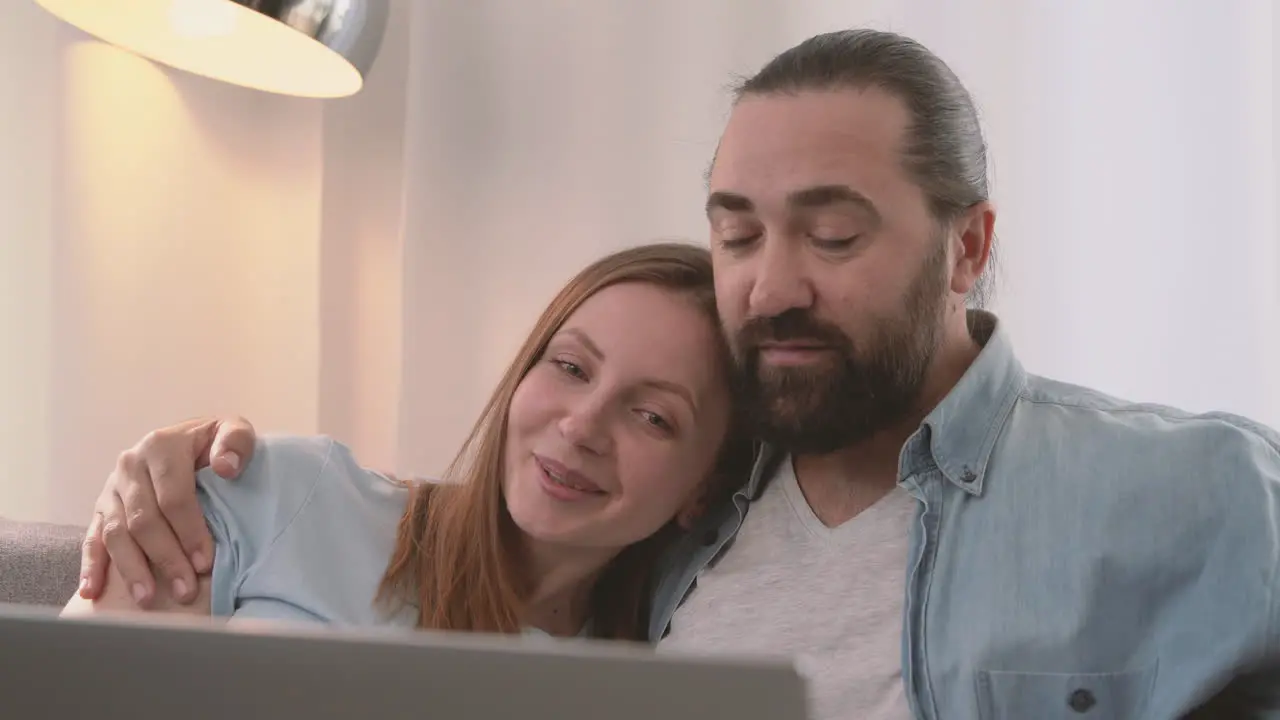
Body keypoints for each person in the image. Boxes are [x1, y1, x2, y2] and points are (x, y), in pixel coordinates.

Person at [78, 28, 1279, 719]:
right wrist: (180, 473)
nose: (771, 284)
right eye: (737, 231)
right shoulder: (678, 538)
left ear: (964, 246)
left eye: (834, 233)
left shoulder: (1182, 490)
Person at [64, 242, 752, 641]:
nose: (581, 426)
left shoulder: (665, 657)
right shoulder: (285, 490)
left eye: (653, 417)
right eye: (570, 367)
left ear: (704, 491)